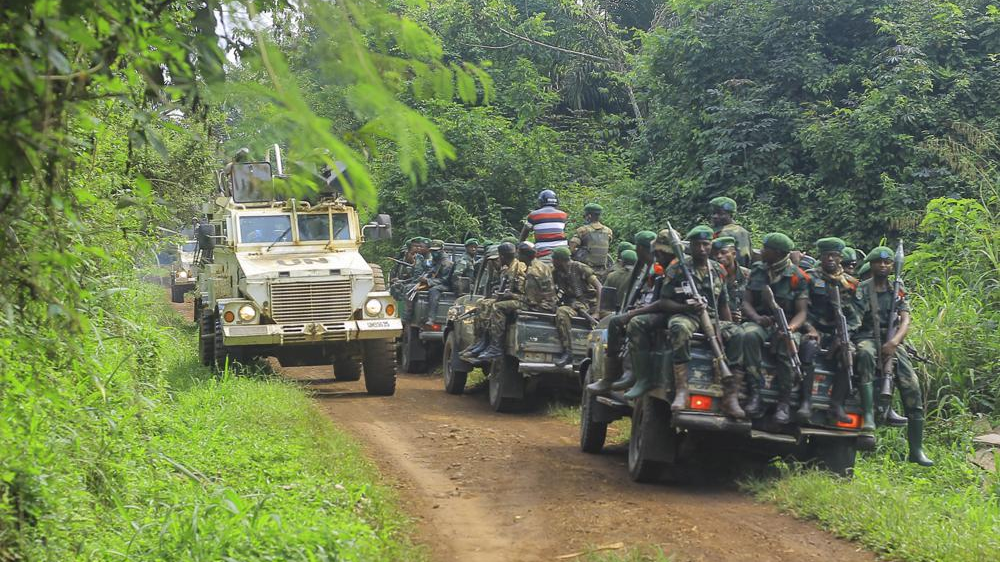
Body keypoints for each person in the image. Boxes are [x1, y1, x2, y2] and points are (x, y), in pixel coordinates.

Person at [853, 246, 933, 466]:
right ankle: (868, 416)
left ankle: (916, 450)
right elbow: (856, 322)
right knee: (865, 353)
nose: (884, 266)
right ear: (871, 264)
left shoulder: (897, 288)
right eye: (879, 262)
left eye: (888, 263)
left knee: (912, 387)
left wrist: (894, 342)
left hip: (893, 342)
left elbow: (905, 320)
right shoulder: (862, 289)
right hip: (868, 337)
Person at [660, 226, 746, 417]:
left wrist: (728, 327)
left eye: (705, 244)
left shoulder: (718, 270)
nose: (701, 248)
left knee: (740, 334)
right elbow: (664, 301)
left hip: (712, 318)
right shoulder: (677, 268)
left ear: (711, 246)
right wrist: (686, 308)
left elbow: (723, 303)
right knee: (679, 328)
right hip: (687, 315)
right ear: (690, 246)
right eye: (697, 244)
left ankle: (730, 396)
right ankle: (682, 390)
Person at [740, 232, 817, 423]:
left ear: (777, 252)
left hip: (787, 324)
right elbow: (746, 302)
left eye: (765, 248)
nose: (762, 251)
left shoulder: (798, 277)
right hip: (762, 321)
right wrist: (757, 318)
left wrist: (790, 328)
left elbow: (801, 312)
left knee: (787, 348)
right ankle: (755, 393)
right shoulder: (758, 270)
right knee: (748, 335)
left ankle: (783, 403)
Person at [585, 231, 658, 393]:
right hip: (648, 309)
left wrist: (635, 311)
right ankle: (612, 376)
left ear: (639, 248)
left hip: (654, 312)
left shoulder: (655, 268)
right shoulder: (645, 268)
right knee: (617, 322)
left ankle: (620, 374)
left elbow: (657, 297)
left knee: (617, 322)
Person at [804, 237, 863, 426]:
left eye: (835, 256)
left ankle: (836, 405)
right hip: (813, 328)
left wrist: (844, 335)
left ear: (840, 258)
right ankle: (806, 402)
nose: (830, 259)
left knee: (849, 353)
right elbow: (798, 308)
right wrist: (809, 327)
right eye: (827, 255)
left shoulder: (850, 284)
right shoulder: (808, 277)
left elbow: (856, 317)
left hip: (836, 332)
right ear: (820, 256)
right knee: (808, 348)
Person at [478, 242, 557, 362]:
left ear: (525, 255)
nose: (516, 256)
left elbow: (530, 301)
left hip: (541, 306)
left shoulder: (532, 272)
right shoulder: (541, 265)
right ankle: (487, 343)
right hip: (546, 302)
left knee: (498, 307)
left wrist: (510, 295)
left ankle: (496, 347)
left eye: (518, 253)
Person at [461, 242, 522, 359]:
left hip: (521, 301)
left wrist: (508, 295)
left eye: (498, 258)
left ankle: (495, 346)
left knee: (495, 306)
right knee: (483, 303)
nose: (496, 261)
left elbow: (523, 292)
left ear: (502, 256)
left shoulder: (517, 268)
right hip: (511, 298)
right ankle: (482, 341)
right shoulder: (507, 268)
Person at [552, 247, 602, 367]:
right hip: (574, 305)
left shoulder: (580, 268)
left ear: (559, 260)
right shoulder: (557, 272)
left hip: (591, 304)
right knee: (561, 312)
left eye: (554, 259)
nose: (552, 261)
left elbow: (600, 287)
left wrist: (598, 312)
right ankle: (568, 352)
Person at [568, 203, 614, 280]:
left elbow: (571, 249)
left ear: (588, 216)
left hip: (585, 271)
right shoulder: (608, 231)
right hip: (603, 271)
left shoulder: (583, 230)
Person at [519, 190, 568, 260]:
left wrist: (519, 245)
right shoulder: (563, 215)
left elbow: (524, 234)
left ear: (540, 201)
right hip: (563, 252)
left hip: (543, 254)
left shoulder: (533, 215)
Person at [712, 236, 749, 323]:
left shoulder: (748, 276)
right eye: (716, 254)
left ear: (734, 254)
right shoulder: (711, 277)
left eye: (723, 252)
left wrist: (743, 316)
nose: (719, 256)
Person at [709, 197, 753, 267]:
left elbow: (743, 258)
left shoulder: (740, 232)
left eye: (721, 213)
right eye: (714, 213)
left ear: (731, 215)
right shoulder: (710, 230)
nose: (715, 216)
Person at [419, 239, 454, 325]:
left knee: (434, 290)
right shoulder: (436, 260)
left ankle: (431, 318)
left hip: (447, 285)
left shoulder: (446, 263)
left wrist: (428, 281)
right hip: (437, 282)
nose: (433, 253)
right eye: (432, 251)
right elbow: (432, 271)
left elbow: (445, 280)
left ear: (441, 250)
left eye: (436, 251)